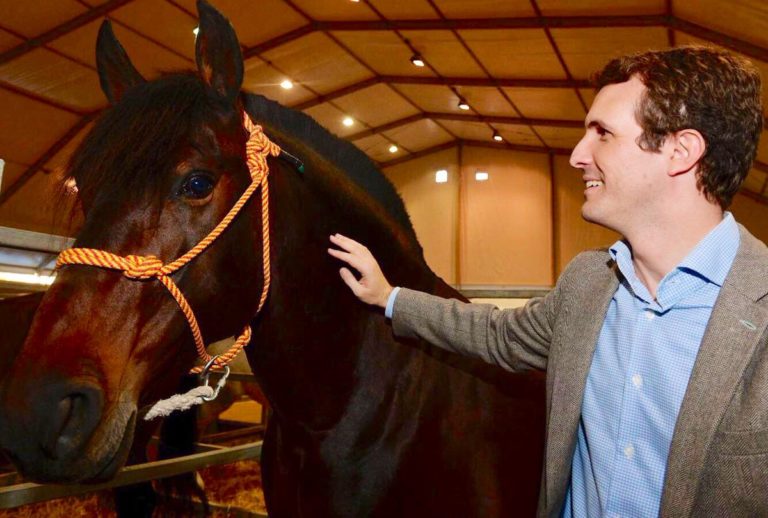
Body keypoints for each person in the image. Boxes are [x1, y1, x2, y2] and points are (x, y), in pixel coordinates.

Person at [328, 46, 768, 518]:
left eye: (603, 133)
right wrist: (389, 296)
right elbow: (497, 335)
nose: (578, 155)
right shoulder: (588, 282)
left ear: (681, 152)